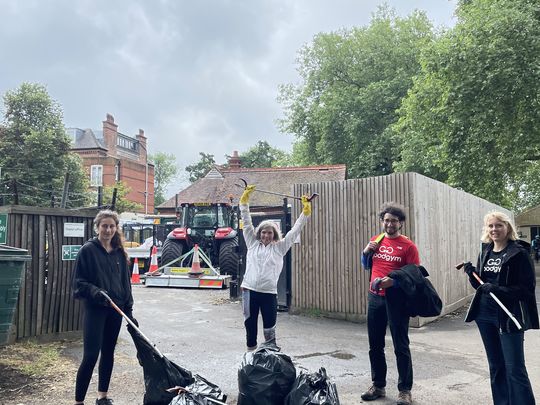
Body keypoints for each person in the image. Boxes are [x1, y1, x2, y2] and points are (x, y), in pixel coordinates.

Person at [461, 211, 538, 405]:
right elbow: (482, 286)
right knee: (496, 366)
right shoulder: (485, 251)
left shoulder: (518, 253)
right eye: (491, 226)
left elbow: (527, 290)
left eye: (499, 225)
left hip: (508, 315)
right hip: (485, 316)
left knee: (514, 369)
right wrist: (472, 274)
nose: (494, 229)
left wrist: (498, 289)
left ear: (507, 227)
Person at [72, 210, 136, 405]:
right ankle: (79, 401)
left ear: (116, 228)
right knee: (91, 355)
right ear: (97, 227)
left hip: (116, 310)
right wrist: (96, 292)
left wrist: (130, 311)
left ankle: (102, 396)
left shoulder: (119, 252)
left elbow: (126, 283)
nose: (108, 230)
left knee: (108, 352)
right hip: (96, 310)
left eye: (111, 226)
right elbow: (78, 283)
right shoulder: (87, 251)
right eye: (104, 226)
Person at [360, 203, 420, 405]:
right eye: (386, 220)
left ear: (400, 223)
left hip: (397, 299)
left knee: (400, 346)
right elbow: (366, 264)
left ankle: (405, 391)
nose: (389, 224)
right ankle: (378, 385)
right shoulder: (376, 240)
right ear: (382, 221)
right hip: (375, 297)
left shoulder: (408, 246)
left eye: (394, 220)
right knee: (375, 345)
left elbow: (414, 274)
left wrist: (393, 281)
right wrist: (365, 251)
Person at [239, 185, 311, 351]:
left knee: (269, 328)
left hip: (269, 293)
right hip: (249, 291)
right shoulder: (252, 243)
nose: (266, 235)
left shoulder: (280, 247)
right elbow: (247, 220)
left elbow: (295, 230)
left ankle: (270, 356)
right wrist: (244, 201)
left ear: (274, 234)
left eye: (270, 233)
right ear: (259, 233)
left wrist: (305, 212)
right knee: (250, 326)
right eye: (264, 232)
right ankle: (250, 356)